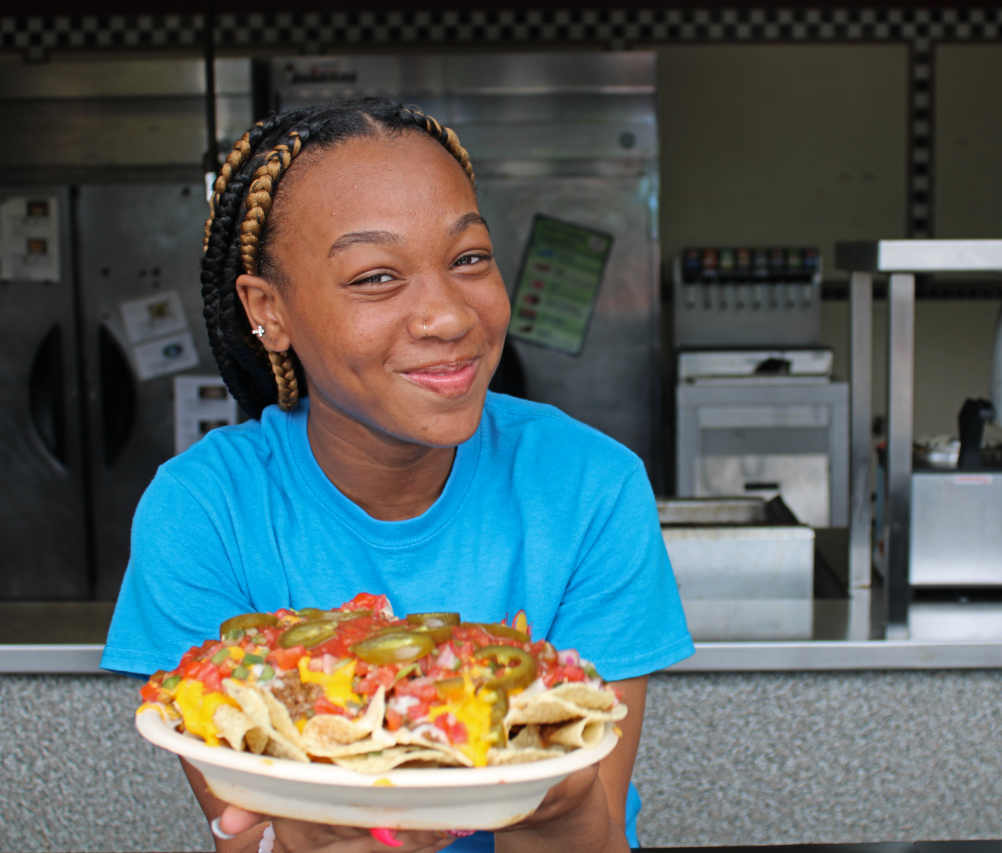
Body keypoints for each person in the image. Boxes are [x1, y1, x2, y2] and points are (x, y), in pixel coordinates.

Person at [101, 98, 693, 853]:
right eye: (377, 276)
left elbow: (592, 831)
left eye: (469, 258)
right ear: (269, 311)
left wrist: (554, 801)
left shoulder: (590, 488)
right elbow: (246, 829)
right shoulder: (203, 512)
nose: (447, 315)